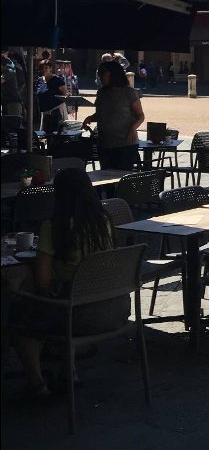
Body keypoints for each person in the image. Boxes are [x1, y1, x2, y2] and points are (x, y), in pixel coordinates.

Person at [10, 168, 127, 398]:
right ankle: (68, 371)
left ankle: (36, 384)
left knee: (18, 314)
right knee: (69, 295)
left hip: (77, 315)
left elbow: (43, 282)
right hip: (116, 308)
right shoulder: (104, 222)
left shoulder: (54, 228)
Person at [81, 61, 144, 171]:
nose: (100, 77)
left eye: (103, 73)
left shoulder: (129, 92)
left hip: (125, 143)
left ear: (113, 74)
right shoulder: (101, 93)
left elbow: (140, 115)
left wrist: (132, 128)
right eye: (99, 74)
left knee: (122, 177)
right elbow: (102, 113)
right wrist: (91, 118)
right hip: (105, 143)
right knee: (106, 178)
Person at [36, 62, 68, 135]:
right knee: (45, 135)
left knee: (57, 134)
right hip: (45, 112)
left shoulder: (57, 80)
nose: (44, 70)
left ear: (50, 69)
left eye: (46, 68)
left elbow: (66, 94)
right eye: (42, 68)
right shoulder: (40, 80)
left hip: (56, 111)